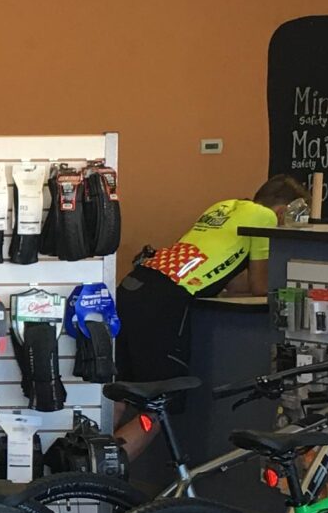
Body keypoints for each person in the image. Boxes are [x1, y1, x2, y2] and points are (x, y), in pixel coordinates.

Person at [110, 175, 310, 456]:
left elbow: (230, 280)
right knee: (158, 406)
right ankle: (106, 471)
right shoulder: (265, 218)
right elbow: (260, 286)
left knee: (120, 395)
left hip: (137, 284)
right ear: (282, 211)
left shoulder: (225, 207)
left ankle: (81, 471)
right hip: (163, 300)